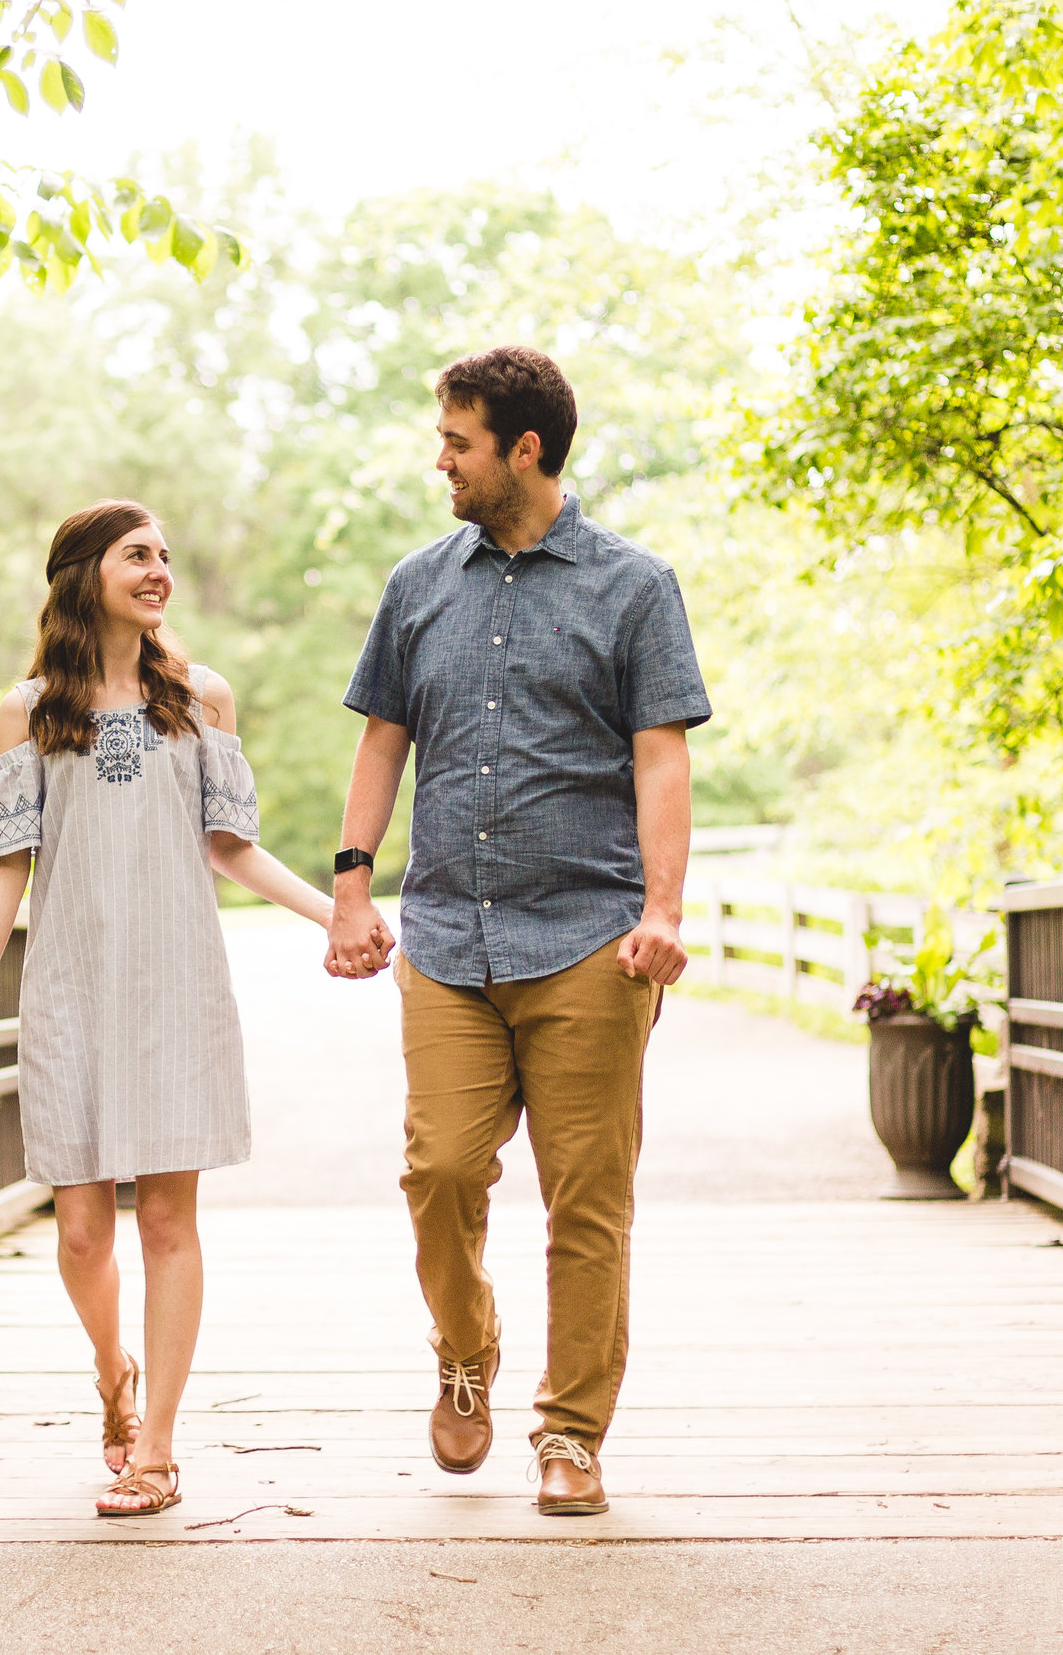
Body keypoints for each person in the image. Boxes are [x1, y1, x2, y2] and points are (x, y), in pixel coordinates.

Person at [324, 346, 709, 1515]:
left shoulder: (635, 587)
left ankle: (572, 1432)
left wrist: (662, 912)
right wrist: (351, 881)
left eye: (457, 441)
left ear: (523, 450)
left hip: (590, 937)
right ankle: (465, 1346)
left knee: (587, 1197)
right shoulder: (417, 584)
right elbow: (383, 737)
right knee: (437, 1169)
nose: (438, 458)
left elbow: (661, 755)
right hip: (446, 934)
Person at [0, 499, 336, 1518]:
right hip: (69, 986)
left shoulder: (201, 697)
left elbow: (229, 844)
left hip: (176, 984)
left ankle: (155, 1450)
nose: (159, 570)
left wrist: (332, 914)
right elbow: (4, 867)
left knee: (164, 1216)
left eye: (165, 554)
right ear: (84, 572)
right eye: (136, 555)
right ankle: (115, 1371)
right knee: (78, 1233)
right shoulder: (29, 710)